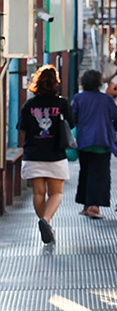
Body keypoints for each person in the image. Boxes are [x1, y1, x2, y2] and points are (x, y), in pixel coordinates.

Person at [17, 65, 74, 244]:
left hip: (33, 154)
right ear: (56, 83)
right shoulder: (62, 103)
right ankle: (46, 220)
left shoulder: (29, 105)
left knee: (38, 194)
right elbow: (72, 124)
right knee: (56, 193)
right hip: (55, 154)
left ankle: (46, 225)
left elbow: (22, 129)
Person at [72, 69, 117, 220]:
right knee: (99, 175)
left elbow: (72, 118)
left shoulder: (78, 98)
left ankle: (86, 205)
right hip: (102, 142)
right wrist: (113, 129)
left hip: (84, 142)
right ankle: (94, 208)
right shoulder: (107, 99)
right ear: (99, 83)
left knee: (85, 173)